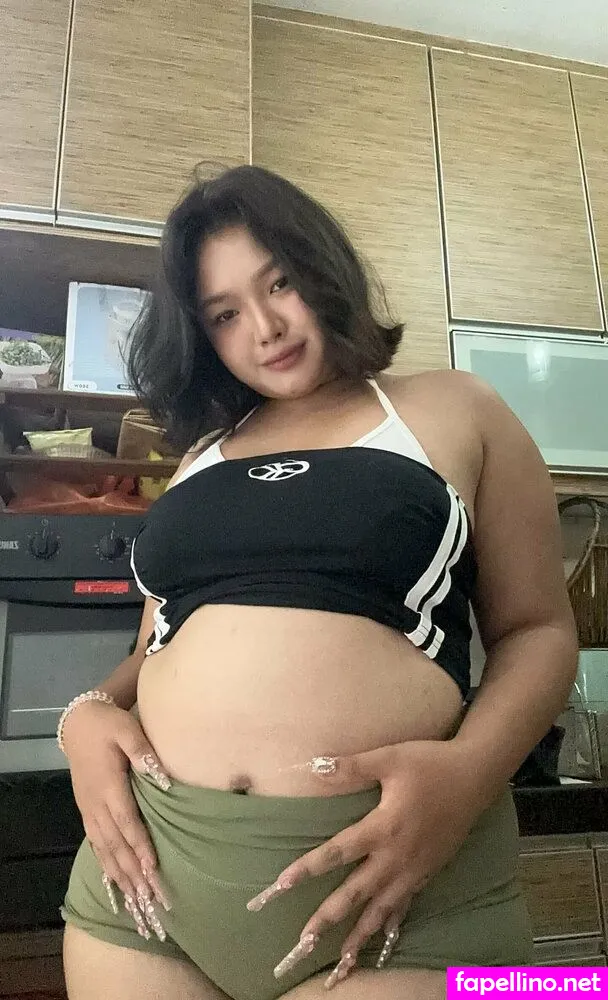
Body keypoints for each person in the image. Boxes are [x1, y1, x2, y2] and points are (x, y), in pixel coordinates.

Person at [60, 164, 578, 1000]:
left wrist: (470, 774)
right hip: (154, 880)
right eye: (225, 314)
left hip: (403, 888)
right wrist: (85, 715)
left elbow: (539, 631)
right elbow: (156, 646)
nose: (266, 327)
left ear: (324, 269)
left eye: (280, 284)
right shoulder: (200, 458)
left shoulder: (457, 409)